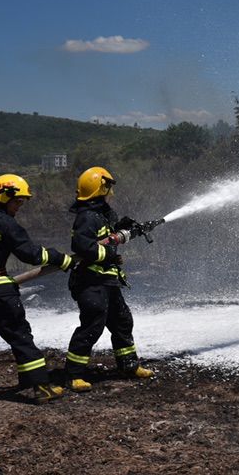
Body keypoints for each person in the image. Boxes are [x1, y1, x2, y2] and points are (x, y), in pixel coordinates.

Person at [0, 174, 73, 403]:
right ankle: (40, 387)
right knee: (20, 337)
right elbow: (29, 253)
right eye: (17, 202)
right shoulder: (3, 222)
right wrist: (58, 258)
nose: (18, 207)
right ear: (5, 196)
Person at [65, 166, 153, 392]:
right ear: (101, 188)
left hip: (107, 280)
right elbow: (81, 246)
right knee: (92, 325)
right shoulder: (87, 217)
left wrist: (123, 228)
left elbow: (108, 236)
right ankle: (74, 375)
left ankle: (128, 365)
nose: (111, 192)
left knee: (122, 321)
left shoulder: (101, 215)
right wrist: (109, 254)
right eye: (108, 187)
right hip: (90, 281)